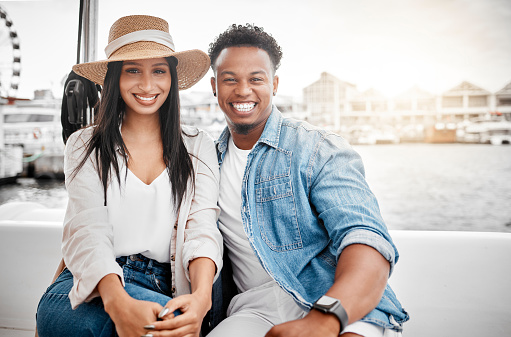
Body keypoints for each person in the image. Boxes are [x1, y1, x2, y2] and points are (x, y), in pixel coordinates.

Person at [205, 24, 409, 337]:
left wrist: (323, 321)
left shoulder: (318, 148)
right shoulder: (205, 161)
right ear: (214, 86)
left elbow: (365, 237)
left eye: (256, 79)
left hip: (334, 301)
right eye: (230, 79)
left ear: (274, 84)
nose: (243, 90)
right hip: (253, 309)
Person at [36, 15, 223, 337]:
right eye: (132, 70)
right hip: (89, 283)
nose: (148, 85)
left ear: (172, 78)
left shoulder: (198, 146)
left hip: (167, 282)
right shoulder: (85, 144)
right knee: (90, 324)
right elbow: (87, 228)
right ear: (114, 78)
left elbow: (202, 228)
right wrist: (118, 303)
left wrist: (202, 299)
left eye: (159, 71)